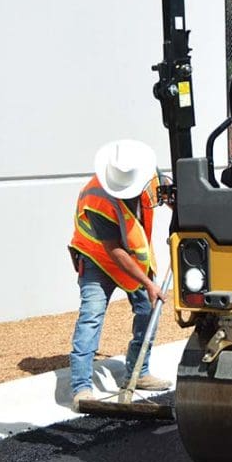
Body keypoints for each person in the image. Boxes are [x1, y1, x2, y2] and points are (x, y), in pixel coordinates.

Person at [68, 139, 171, 410]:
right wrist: (148, 282)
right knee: (91, 317)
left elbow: (172, 197)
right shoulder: (96, 197)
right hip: (98, 260)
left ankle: (138, 373)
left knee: (149, 311)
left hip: (134, 259)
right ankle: (82, 388)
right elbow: (114, 251)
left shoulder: (151, 178)